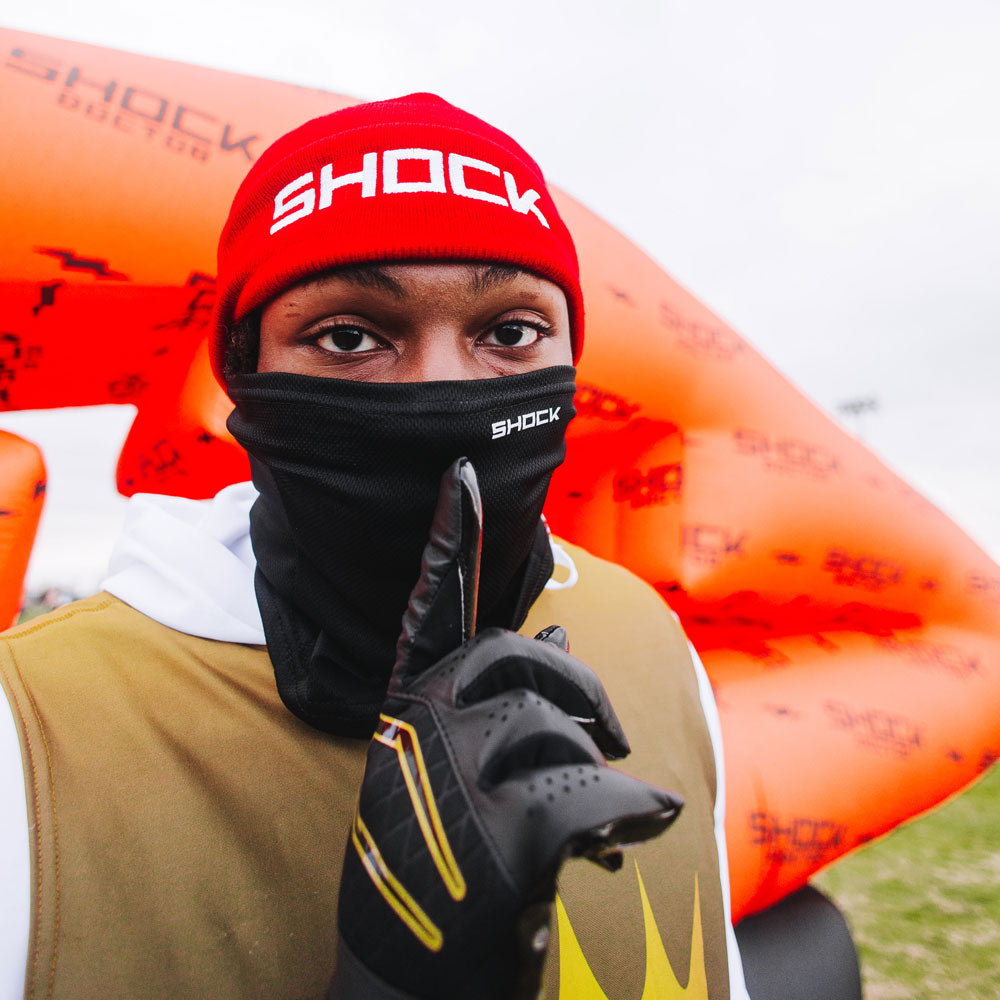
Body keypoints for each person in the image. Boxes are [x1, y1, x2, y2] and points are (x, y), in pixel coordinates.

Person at [0, 94, 750, 999]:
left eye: (510, 333)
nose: (442, 393)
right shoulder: (32, 734)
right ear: (243, 367)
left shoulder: (649, 640)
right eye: (349, 336)